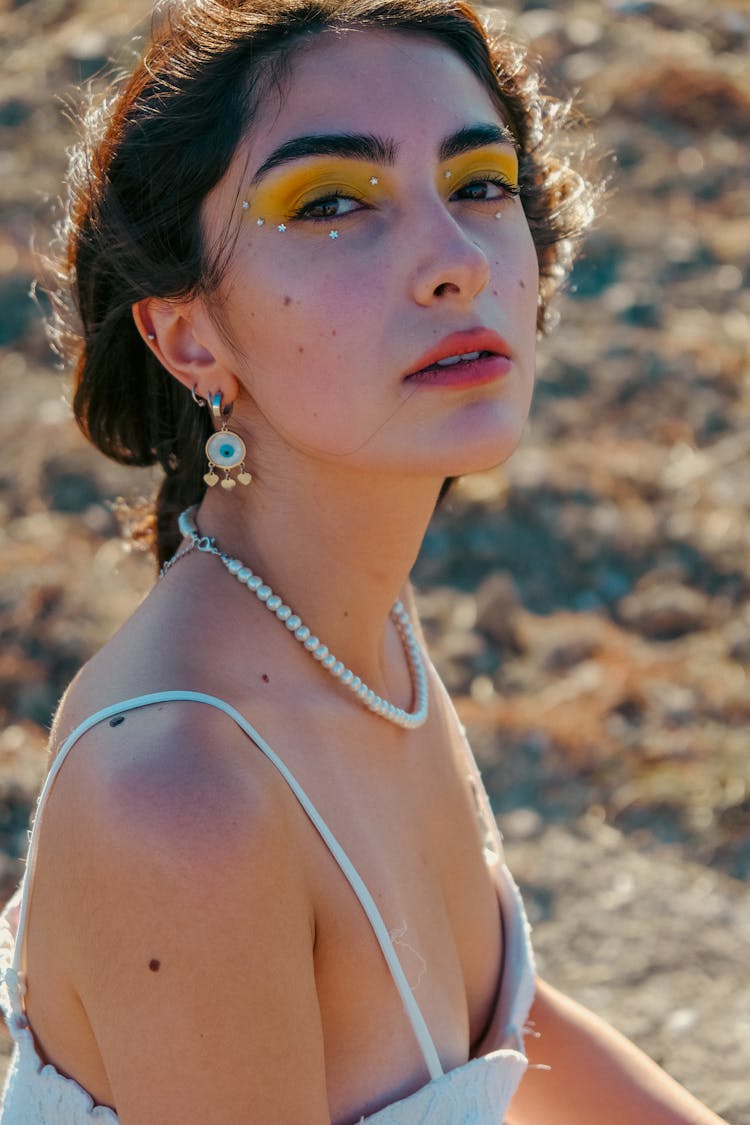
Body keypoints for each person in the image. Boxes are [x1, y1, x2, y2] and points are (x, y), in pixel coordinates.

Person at [0, 1, 728, 1122]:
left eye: (481, 184)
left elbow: (504, 1025)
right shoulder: (180, 798)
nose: (455, 263)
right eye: (333, 202)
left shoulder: (352, 628)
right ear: (189, 337)